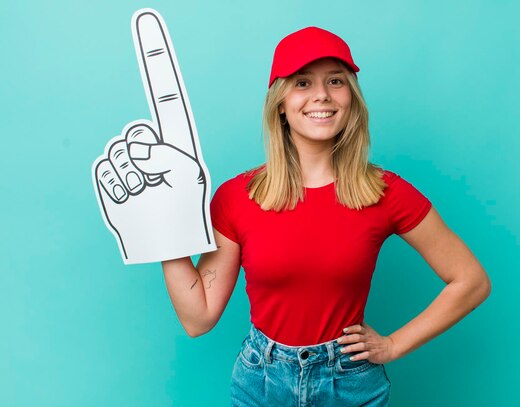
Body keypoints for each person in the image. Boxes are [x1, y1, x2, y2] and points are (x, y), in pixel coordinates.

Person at [161, 26, 491, 406]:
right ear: (280, 104)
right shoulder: (238, 197)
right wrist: (161, 233)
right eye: (302, 83)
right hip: (261, 383)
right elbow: (197, 318)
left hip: (350, 384)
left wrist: (394, 345)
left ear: (351, 97)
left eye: (335, 80)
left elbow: (471, 281)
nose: (321, 95)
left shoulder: (386, 192)